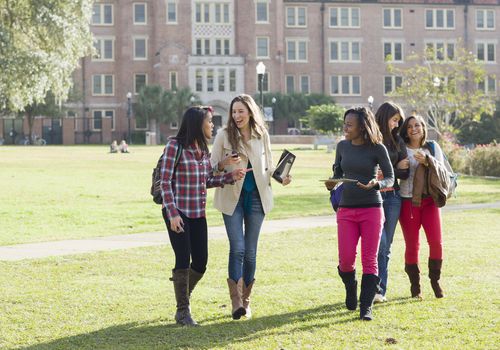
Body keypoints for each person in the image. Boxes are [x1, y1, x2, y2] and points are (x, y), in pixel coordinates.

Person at [160, 106, 247, 326]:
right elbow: (165, 183)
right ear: (198, 124)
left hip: (198, 213)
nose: (212, 125)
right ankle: (182, 311)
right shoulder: (174, 146)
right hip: (178, 212)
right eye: (209, 121)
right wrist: (172, 214)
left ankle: (182, 292)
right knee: (183, 259)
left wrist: (229, 177)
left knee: (200, 263)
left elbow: (205, 180)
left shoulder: (202, 150)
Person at [210, 94, 291, 320]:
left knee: (251, 252)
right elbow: (211, 168)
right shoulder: (223, 136)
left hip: (257, 197)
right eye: (234, 112)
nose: (236, 116)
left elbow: (271, 167)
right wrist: (224, 164)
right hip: (231, 197)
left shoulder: (261, 135)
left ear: (250, 112)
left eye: (241, 111)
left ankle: (246, 300)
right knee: (237, 248)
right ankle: (235, 301)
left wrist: (282, 178)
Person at [330, 107, 394, 321]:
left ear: (362, 127)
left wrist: (378, 184)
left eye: (350, 124)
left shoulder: (378, 148)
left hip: (372, 209)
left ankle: (366, 306)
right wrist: (332, 181)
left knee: (370, 260)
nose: (345, 128)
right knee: (346, 260)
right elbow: (338, 171)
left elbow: (390, 178)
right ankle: (351, 287)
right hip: (346, 209)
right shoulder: (342, 146)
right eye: (344, 123)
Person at [398, 115, 446, 299]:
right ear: (406, 131)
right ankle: (415, 286)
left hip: (429, 201)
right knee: (412, 244)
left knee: (436, 242)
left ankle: (435, 281)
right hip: (408, 201)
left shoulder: (432, 147)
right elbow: (389, 170)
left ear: (423, 128)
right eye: (409, 126)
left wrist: (428, 161)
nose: (413, 129)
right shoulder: (400, 148)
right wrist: (399, 164)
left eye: (417, 125)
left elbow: (442, 171)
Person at [373, 102, 409, 303]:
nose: (397, 125)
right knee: (380, 243)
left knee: (386, 247)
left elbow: (405, 171)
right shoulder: (370, 138)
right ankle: (374, 286)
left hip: (393, 197)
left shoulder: (397, 141)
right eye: (394, 120)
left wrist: (389, 171)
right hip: (374, 197)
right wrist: (394, 168)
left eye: (399, 121)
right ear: (384, 117)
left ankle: (380, 290)